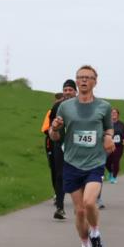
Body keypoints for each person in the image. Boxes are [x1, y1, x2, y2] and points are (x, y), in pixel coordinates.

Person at [48, 65, 114, 247]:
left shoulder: (104, 107)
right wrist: (54, 128)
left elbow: (109, 130)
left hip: (94, 162)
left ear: (95, 81)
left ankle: (95, 234)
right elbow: (55, 136)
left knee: (88, 203)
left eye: (88, 77)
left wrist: (109, 139)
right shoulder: (65, 107)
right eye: (80, 77)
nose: (84, 80)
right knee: (79, 211)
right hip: (71, 162)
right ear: (76, 81)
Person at [45, 80, 78, 220]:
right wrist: (54, 137)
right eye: (65, 90)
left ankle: (81, 206)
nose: (68, 92)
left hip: (77, 145)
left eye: (70, 89)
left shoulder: (81, 106)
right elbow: (52, 126)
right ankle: (60, 207)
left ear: (75, 92)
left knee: (77, 174)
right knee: (59, 174)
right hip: (60, 144)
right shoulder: (57, 106)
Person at [105, 107, 124, 183]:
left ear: (118, 115)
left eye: (115, 113)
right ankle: (111, 172)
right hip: (108, 146)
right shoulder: (107, 124)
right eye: (112, 113)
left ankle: (114, 177)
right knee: (107, 161)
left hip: (119, 146)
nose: (113, 114)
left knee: (116, 161)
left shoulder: (122, 124)